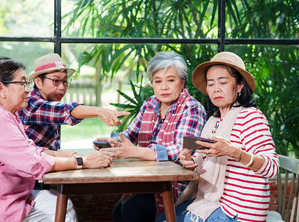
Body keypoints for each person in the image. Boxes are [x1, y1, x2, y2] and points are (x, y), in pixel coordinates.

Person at [0, 57, 113, 222]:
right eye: (22, 84)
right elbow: (33, 163)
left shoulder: (6, 114)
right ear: (1, 88)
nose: (27, 89)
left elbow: (31, 150)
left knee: (62, 205)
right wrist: (82, 162)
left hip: (7, 197)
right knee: (62, 209)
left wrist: (70, 156)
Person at [156, 52, 279, 222]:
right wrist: (189, 163)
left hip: (239, 212)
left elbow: (272, 168)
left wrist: (236, 153)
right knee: (163, 217)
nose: (216, 89)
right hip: (215, 202)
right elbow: (203, 166)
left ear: (239, 86)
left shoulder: (251, 117)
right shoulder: (214, 121)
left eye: (223, 82)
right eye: (211, 83)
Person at [95, 51, 207, 222]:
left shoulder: (192, 108)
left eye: (171, 80)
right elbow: (129, 135)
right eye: (158, 81)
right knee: (119, 211)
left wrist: (138, 152)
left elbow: (183, 149)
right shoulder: (150, 104)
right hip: (149, 180)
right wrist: (112, 141)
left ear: (182, 82)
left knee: (131, 210)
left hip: (178, 186)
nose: (164, 87)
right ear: (152, 84)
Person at [19, 53, 129, 150]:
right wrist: (98, 111)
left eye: (65, 81)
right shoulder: (31, 104)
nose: (62, 87)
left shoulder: (48, 101)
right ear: (38, 82)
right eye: (55, 81)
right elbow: (64, 110)